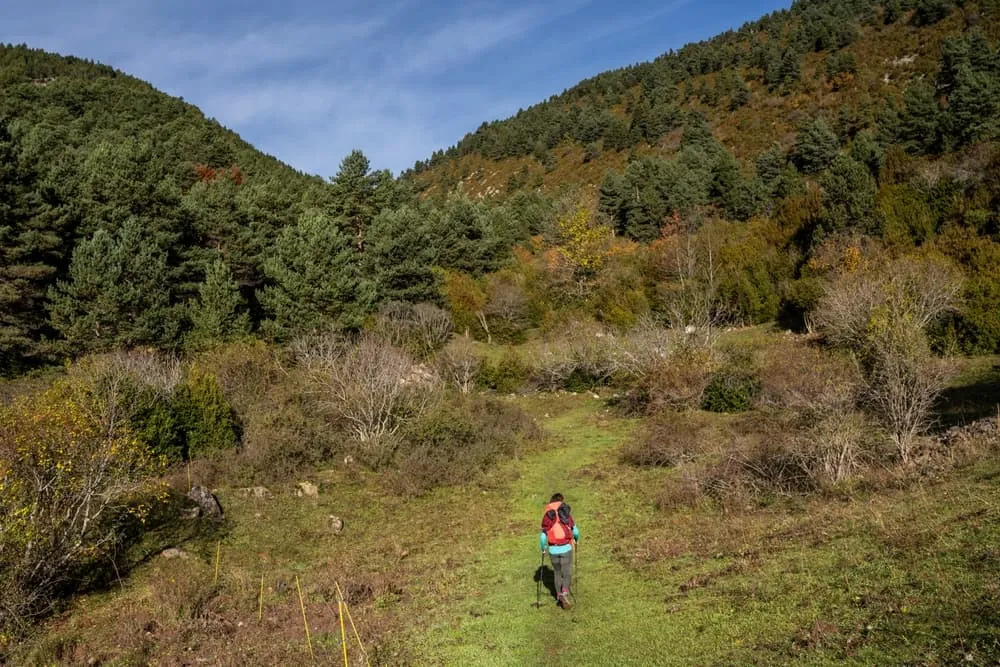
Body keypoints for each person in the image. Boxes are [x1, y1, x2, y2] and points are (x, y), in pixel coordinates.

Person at [540, 492, 579, 609]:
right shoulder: (565, 513)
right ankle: (565, 593)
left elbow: (543, 536)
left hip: (553, 549)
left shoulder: (548, 515)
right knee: (567, 572)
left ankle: (558, 595)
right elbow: (575, 531)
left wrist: (543, 548)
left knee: (557, 572)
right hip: (566, 547)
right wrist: (576, 540)